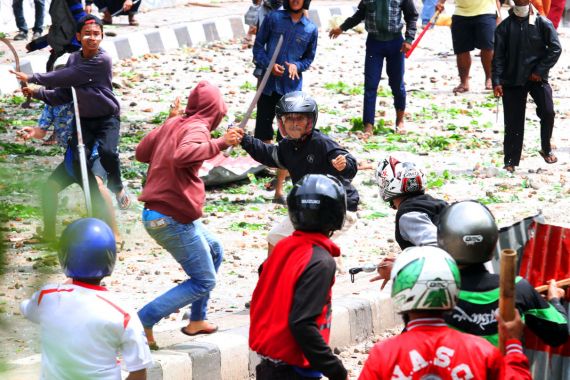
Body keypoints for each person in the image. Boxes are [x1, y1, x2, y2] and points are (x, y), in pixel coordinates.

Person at [135, 81, 242, 350]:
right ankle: (142, 321)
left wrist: (167, 123)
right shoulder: (197, 127)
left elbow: (141, 153)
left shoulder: (177, 123)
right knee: (204, 280)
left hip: (164, 212)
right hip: (170, 217)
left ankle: (197, 319)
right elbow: (183, 155)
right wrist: (220, 142)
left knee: (214, 249)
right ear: (214, 109)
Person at [11, 14, 131, 210]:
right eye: (87, 34)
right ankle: (93, 208)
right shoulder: (74, 58)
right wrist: (37, 94)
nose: (92, 38)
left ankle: (117, 188)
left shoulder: (103, 60)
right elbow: (65, 93)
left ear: (101, 37)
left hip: (107, 118)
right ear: (78, 36)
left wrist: (33, 78)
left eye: (96, 34)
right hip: (83, 119)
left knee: (108, 152)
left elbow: (68, 76)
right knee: (77, 160)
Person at [359, 246, 532, 379]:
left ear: (399, 291)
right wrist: (513, 344)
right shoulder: (482, 351)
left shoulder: (383, 354)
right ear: (454, 291)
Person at [20, 218, 152, 379]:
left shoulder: (47, 297)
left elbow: (27, 309)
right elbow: (139, 372)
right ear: (111, 258)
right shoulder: (123, 313)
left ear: (63, 256)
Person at [235, 91, 359, 256]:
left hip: (338, 208)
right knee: (274, 238)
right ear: (281, 122)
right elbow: (267, 153)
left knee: (303, 249)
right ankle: (271, 277)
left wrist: (343, 164)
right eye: (289, 119)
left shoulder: (321, 143)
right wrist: (244, 139)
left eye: (299, 118)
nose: (294, 124)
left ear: (310, 121)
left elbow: (349, 164)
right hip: (308, 207)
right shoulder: (287, 146)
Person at [249, 174, 348, 380]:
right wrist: (336, 370)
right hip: (293, 371)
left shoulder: (283, 248)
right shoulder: (321, 261)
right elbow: (302, 324)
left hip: (269, 365)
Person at [438, 200, 569, 347]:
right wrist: (555, 301)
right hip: (504, 368)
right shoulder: (517, 288)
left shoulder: (435, 292)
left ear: (443, 241)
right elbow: (559, 332)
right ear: (492, 240)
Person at [16, 101, 121, 245]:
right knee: (49, 188)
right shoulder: (52, 102)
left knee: (98, 186)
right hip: (72, 157)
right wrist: (34, 132)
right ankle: (49, 234)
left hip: (94, 154)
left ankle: (115, 234)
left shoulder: (81, 97)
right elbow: (42, 130)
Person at [252, 0, 318, 204]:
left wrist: (296, 66)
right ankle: (269, 168)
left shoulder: (311, 28)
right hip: (268, 85)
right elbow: (258, 47)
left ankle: (279, 191)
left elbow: (309, 58)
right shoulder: (273, 19)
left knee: (289, 139)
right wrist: (268, 65)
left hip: (291, 91)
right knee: (263, 131)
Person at [492, 0, 561, 173]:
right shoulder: (504, 27)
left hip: (537, 78)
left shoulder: (542, 22)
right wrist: (497, 81)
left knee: (548, 111)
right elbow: (498, 57)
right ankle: (510, 160)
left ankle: (546, 148)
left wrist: (540, 70)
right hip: (512, 78)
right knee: (513, 121)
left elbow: (555, 48)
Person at [329, 0, 417, 135]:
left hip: (396, 44)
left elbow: (411, 16)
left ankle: (400, 121)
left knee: (397, 83)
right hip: (374, 44)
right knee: (370, 84)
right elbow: (359, 15)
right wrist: (341, 28)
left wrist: (409, 39)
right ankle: (368, 125)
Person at [436, 0, 502, 93]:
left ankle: (490, 78)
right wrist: (441, 2)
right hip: (460, 13)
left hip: (486, 12)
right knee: (461, 49)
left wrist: (498, 16)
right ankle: (464, 82)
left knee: (488, 46)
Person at [26, 0, 87, 73]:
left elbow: (83, 23)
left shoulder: (71, 2)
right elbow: (57, 31)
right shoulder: (56, 3)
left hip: (69, 52)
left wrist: (75, 45)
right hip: (61, 51)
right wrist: (35, 44)